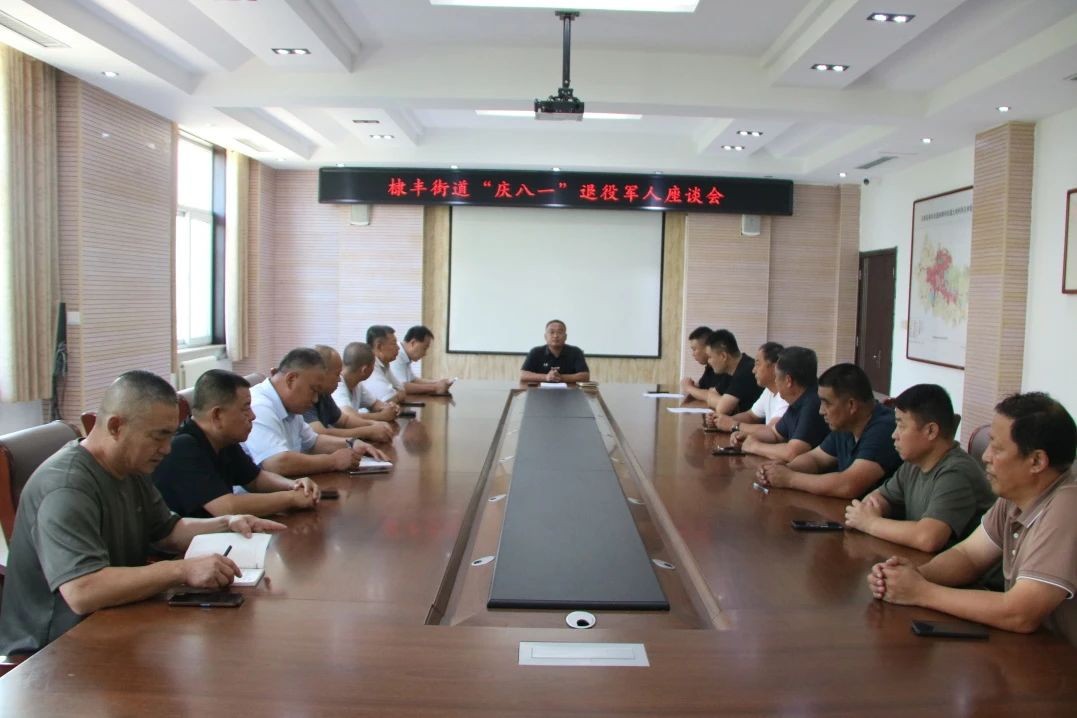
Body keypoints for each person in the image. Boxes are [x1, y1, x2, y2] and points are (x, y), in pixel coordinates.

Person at [0, 370, 285, 656]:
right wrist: (181, 570)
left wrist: (228, 523)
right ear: (116, 427)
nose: (167, 449)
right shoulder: (66, 486)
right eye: (158, 437)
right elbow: (83, 591)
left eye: (171, 435)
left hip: (116, 619)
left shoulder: (130, 466)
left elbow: (168, 531)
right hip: (55, 649)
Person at [868, 392, 1076, 645]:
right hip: (1035, 648)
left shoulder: (1068, 505)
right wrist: (912, 575)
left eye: (997, 448)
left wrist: (921, 592)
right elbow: (969, 556)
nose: (985, 456)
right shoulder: (1016, 495)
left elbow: (1021, 613)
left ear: (1036, 461)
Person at [845, 384, 994, 552]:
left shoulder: (956, 473)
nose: (894, 435)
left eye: (901, 426)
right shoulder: (914, 464)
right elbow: (879, 498)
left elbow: (928, 538)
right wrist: (872, 508)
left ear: (931, 431)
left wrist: (870, 523)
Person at [153, 369, 322, 518]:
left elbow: (256, 480)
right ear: (217, 415)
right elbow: (227, 508)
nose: (252, 416)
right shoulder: (183, 447)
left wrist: (294, 485)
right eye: (245, 408)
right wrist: (290, 498)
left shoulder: (223, 440)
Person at [756, 363, 901, 498]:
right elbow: (816, 459)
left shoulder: (884, 428)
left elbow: (849, 485)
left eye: (827, 403)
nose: (821, 411)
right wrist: (783, 469)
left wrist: (790, 478)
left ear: (851, 405)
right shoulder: (847, 424)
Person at [243, 348, 387, 476]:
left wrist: (353, 443)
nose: (315, 399)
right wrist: (333, 461)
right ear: (291, 379)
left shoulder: (290, 405)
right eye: (313, 390)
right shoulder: (259, 405)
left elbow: (313, 442)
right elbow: (277, 463)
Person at [733, 346, 829, 462]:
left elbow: (792, 452)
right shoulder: (797, 401)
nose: (775, 381)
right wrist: (748, 436)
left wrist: (755, 446)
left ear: (788, 381)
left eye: (777, 377)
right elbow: (774, 433)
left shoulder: (813, 403)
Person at [305, 345, 394, 444]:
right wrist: (368, 431)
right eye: (337, 374)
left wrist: (373, 424)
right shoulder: (304, 398)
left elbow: (344, 420)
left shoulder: (324, 395)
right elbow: (320, 434)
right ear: (321, 374)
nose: (339, 379)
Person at [708, 341, 787, 434]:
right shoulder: (768, 390)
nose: (753, 370)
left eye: (757, 364)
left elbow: (771, 431)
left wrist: (733, 425)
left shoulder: (786, 396)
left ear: (774, 367)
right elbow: (751, 416)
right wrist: (721, 421)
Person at [333, 341, 401, 423]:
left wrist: (390, 408)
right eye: (373, 365)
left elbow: (374, 404)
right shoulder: (337, 385)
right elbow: (347, 416)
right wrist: (381, 416)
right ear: (364, 370)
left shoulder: (357, 384)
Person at [702, 329, 762, 416]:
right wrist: (724, 402)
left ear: (723, 356)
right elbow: (711, 393)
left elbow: (722, 409)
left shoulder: (746, 371)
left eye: (710, 357)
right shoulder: (731, 370)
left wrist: (722, 402)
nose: (709, 361)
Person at [520, 319, 590, 383]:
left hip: (569, 391)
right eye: (551, 332)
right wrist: (546, 377)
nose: (555, 336)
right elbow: (523, 375)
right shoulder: (535, 352)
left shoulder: (576, 352)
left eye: (559, 332)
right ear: (545, 336)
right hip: (541, 391)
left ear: (565, 337)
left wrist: (562, 377)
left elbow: (585, 376)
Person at [390, 325, 454, 395]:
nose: (425, 354)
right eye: (424, 348)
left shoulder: (405, 355)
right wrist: (435, 387)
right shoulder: (396, 354)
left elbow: (413, 380)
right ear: (413, 343)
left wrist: (438, 382)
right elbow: (402, 386)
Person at [362, 325, 407, 404]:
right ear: (379, 346)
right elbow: (388, 399)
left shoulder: (384, 364)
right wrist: (397, 394)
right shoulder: (369, 365)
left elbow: (402, 389)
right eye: (394, 344)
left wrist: (396, 394)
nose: (398, 348)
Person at [681, 326, 725, 402]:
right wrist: (691, 385)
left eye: (694, 349)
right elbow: (702, 387)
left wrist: (689, 388)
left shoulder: (723, 368)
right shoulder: (710, 366)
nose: (693, 354)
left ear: (707, 348)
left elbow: (713, 396)